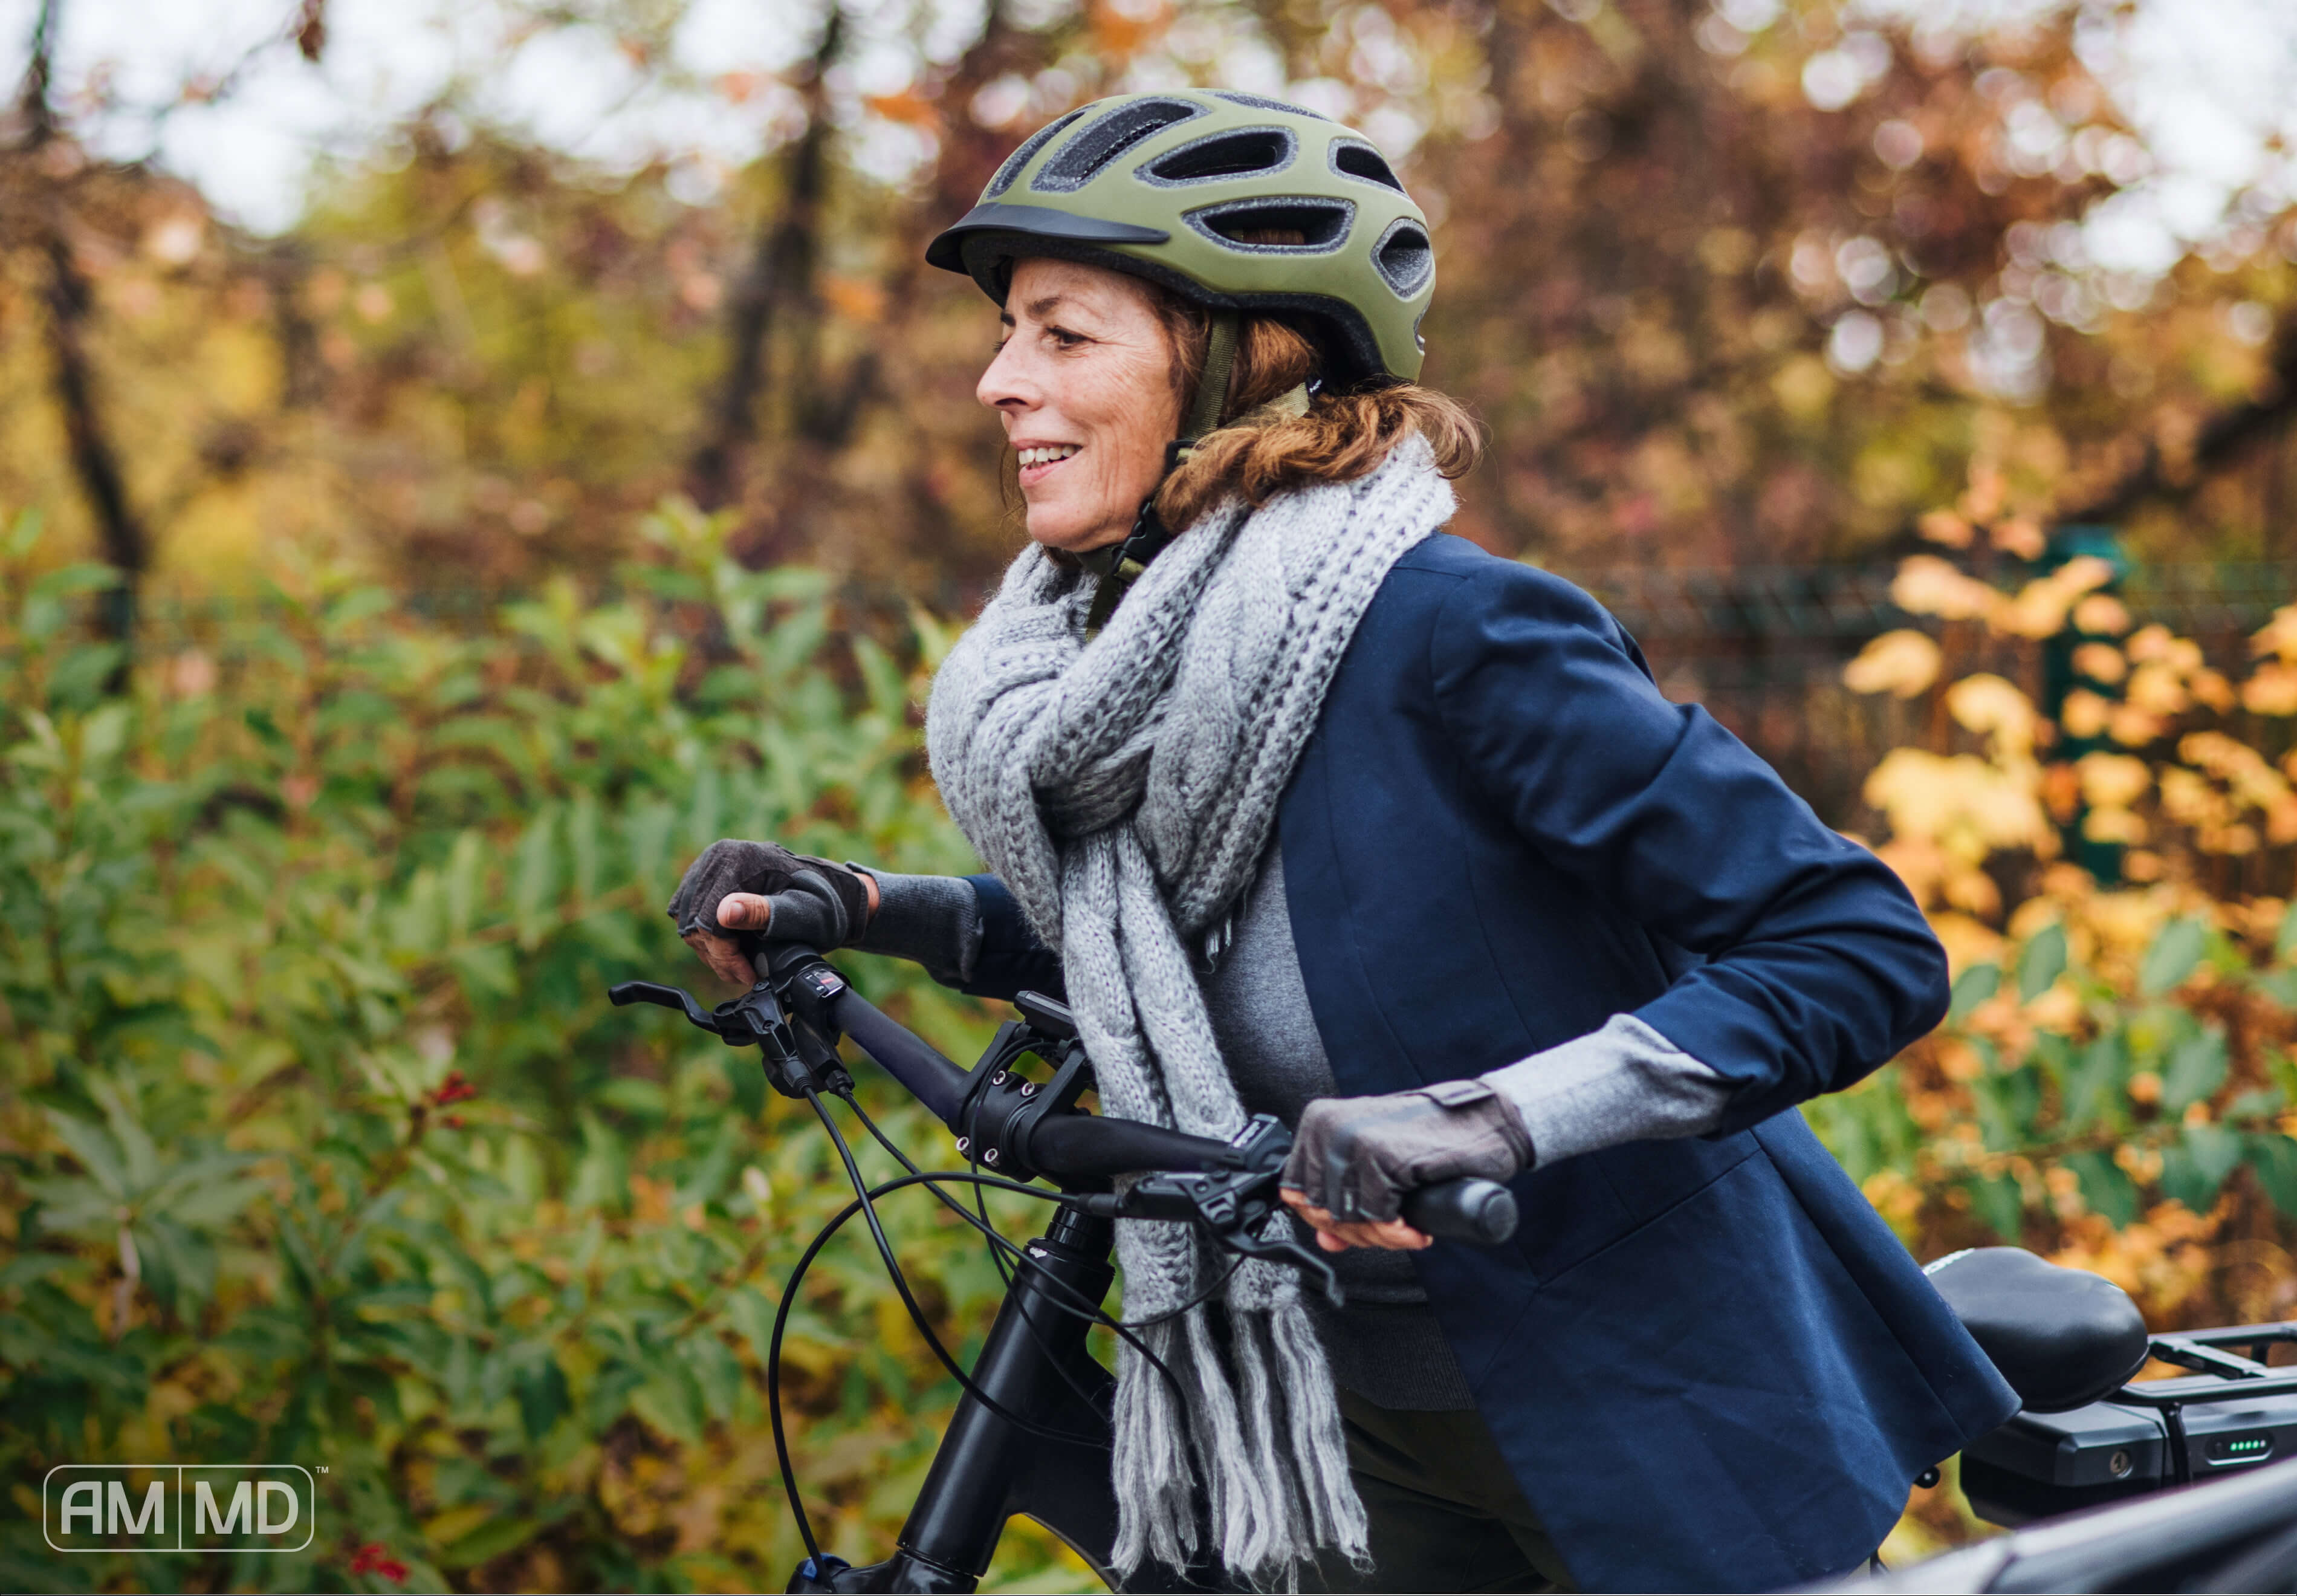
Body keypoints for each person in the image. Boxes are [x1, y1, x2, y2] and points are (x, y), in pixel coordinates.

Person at [667, 91, 2019, 1594]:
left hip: (1644, 1419)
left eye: (1063, 333)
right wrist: (863, 907)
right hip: (1334, 1415)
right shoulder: (1159, 656)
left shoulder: (1456, 633)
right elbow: (1196, 946)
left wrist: (1485, 1119)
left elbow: (1851, 948)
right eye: (1007, 336)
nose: (997, 381)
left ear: (1242, 353)